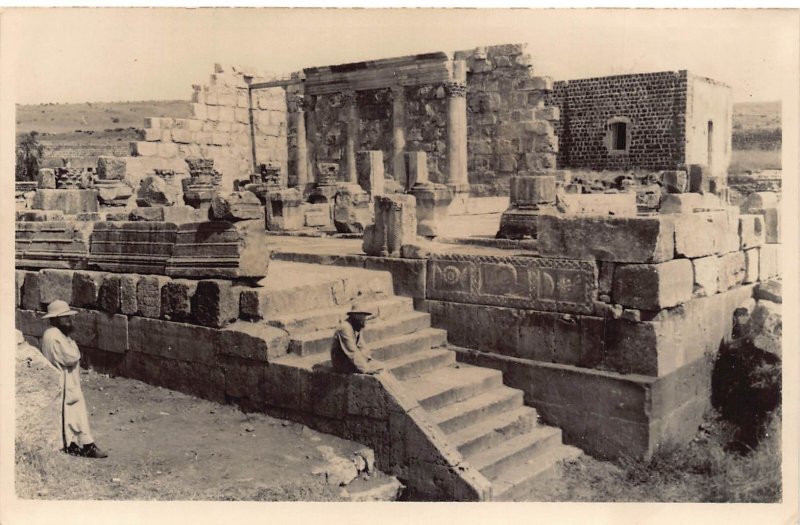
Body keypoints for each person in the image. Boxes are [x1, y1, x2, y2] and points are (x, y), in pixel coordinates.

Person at [40, 300, 108, 459]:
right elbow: (71, 356)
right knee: (76, 414)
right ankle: (87, 446)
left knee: (70, 415)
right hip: (66, 382)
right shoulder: (54, 336)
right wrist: (72, 343)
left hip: (67, 381)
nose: (69, 320)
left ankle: (73, 445)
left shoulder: (54, 334)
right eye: (65, 317)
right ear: (55, 319)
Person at [330, 303, 383, 375]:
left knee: (381, 366)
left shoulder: (357, 326)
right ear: (354, 315)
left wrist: (367, 358)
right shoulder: (345, 328)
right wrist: (366, 369)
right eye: (362, 315)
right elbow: (352, 351)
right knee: (374, 369)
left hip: (351, 360)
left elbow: (362, 346)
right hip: (342, 363)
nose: (364, 318)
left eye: (364, 316)